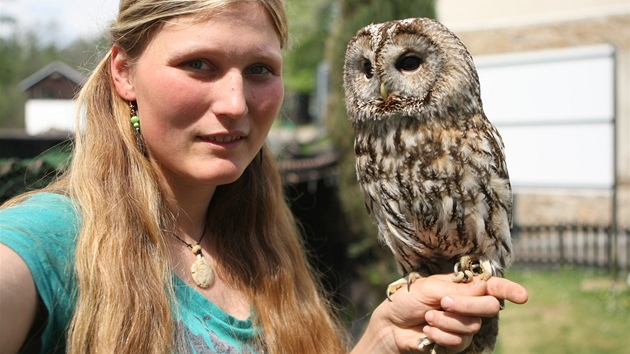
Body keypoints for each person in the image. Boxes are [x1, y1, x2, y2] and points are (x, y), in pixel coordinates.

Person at [0, 0, 528, 353]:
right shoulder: (50, 239)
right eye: (199, 65)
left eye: (259, 70)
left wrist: (378, 343)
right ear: (123, 73)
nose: (234, 105)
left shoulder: (260, 234)